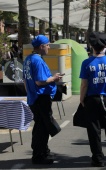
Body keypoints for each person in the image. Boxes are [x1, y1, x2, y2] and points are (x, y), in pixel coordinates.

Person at [79, 32, 106, 167]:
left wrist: (81, 99)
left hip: (92, 99)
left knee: (94, 130)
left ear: (91, 45)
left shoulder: (86, 63)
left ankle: (98, 159)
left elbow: (84, 84)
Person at [23, 35, 64, 164]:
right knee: (42, 128)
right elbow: (40, 81)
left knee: (41, 126)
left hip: (34, 97)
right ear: (41, 46)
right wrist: (55, 78)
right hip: (41, 98)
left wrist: (30, 92)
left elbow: (25, 80)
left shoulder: (28, 59)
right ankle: (39, 155)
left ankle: (43, 152)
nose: (49, 47)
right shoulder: (37, 60)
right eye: (47, 45)